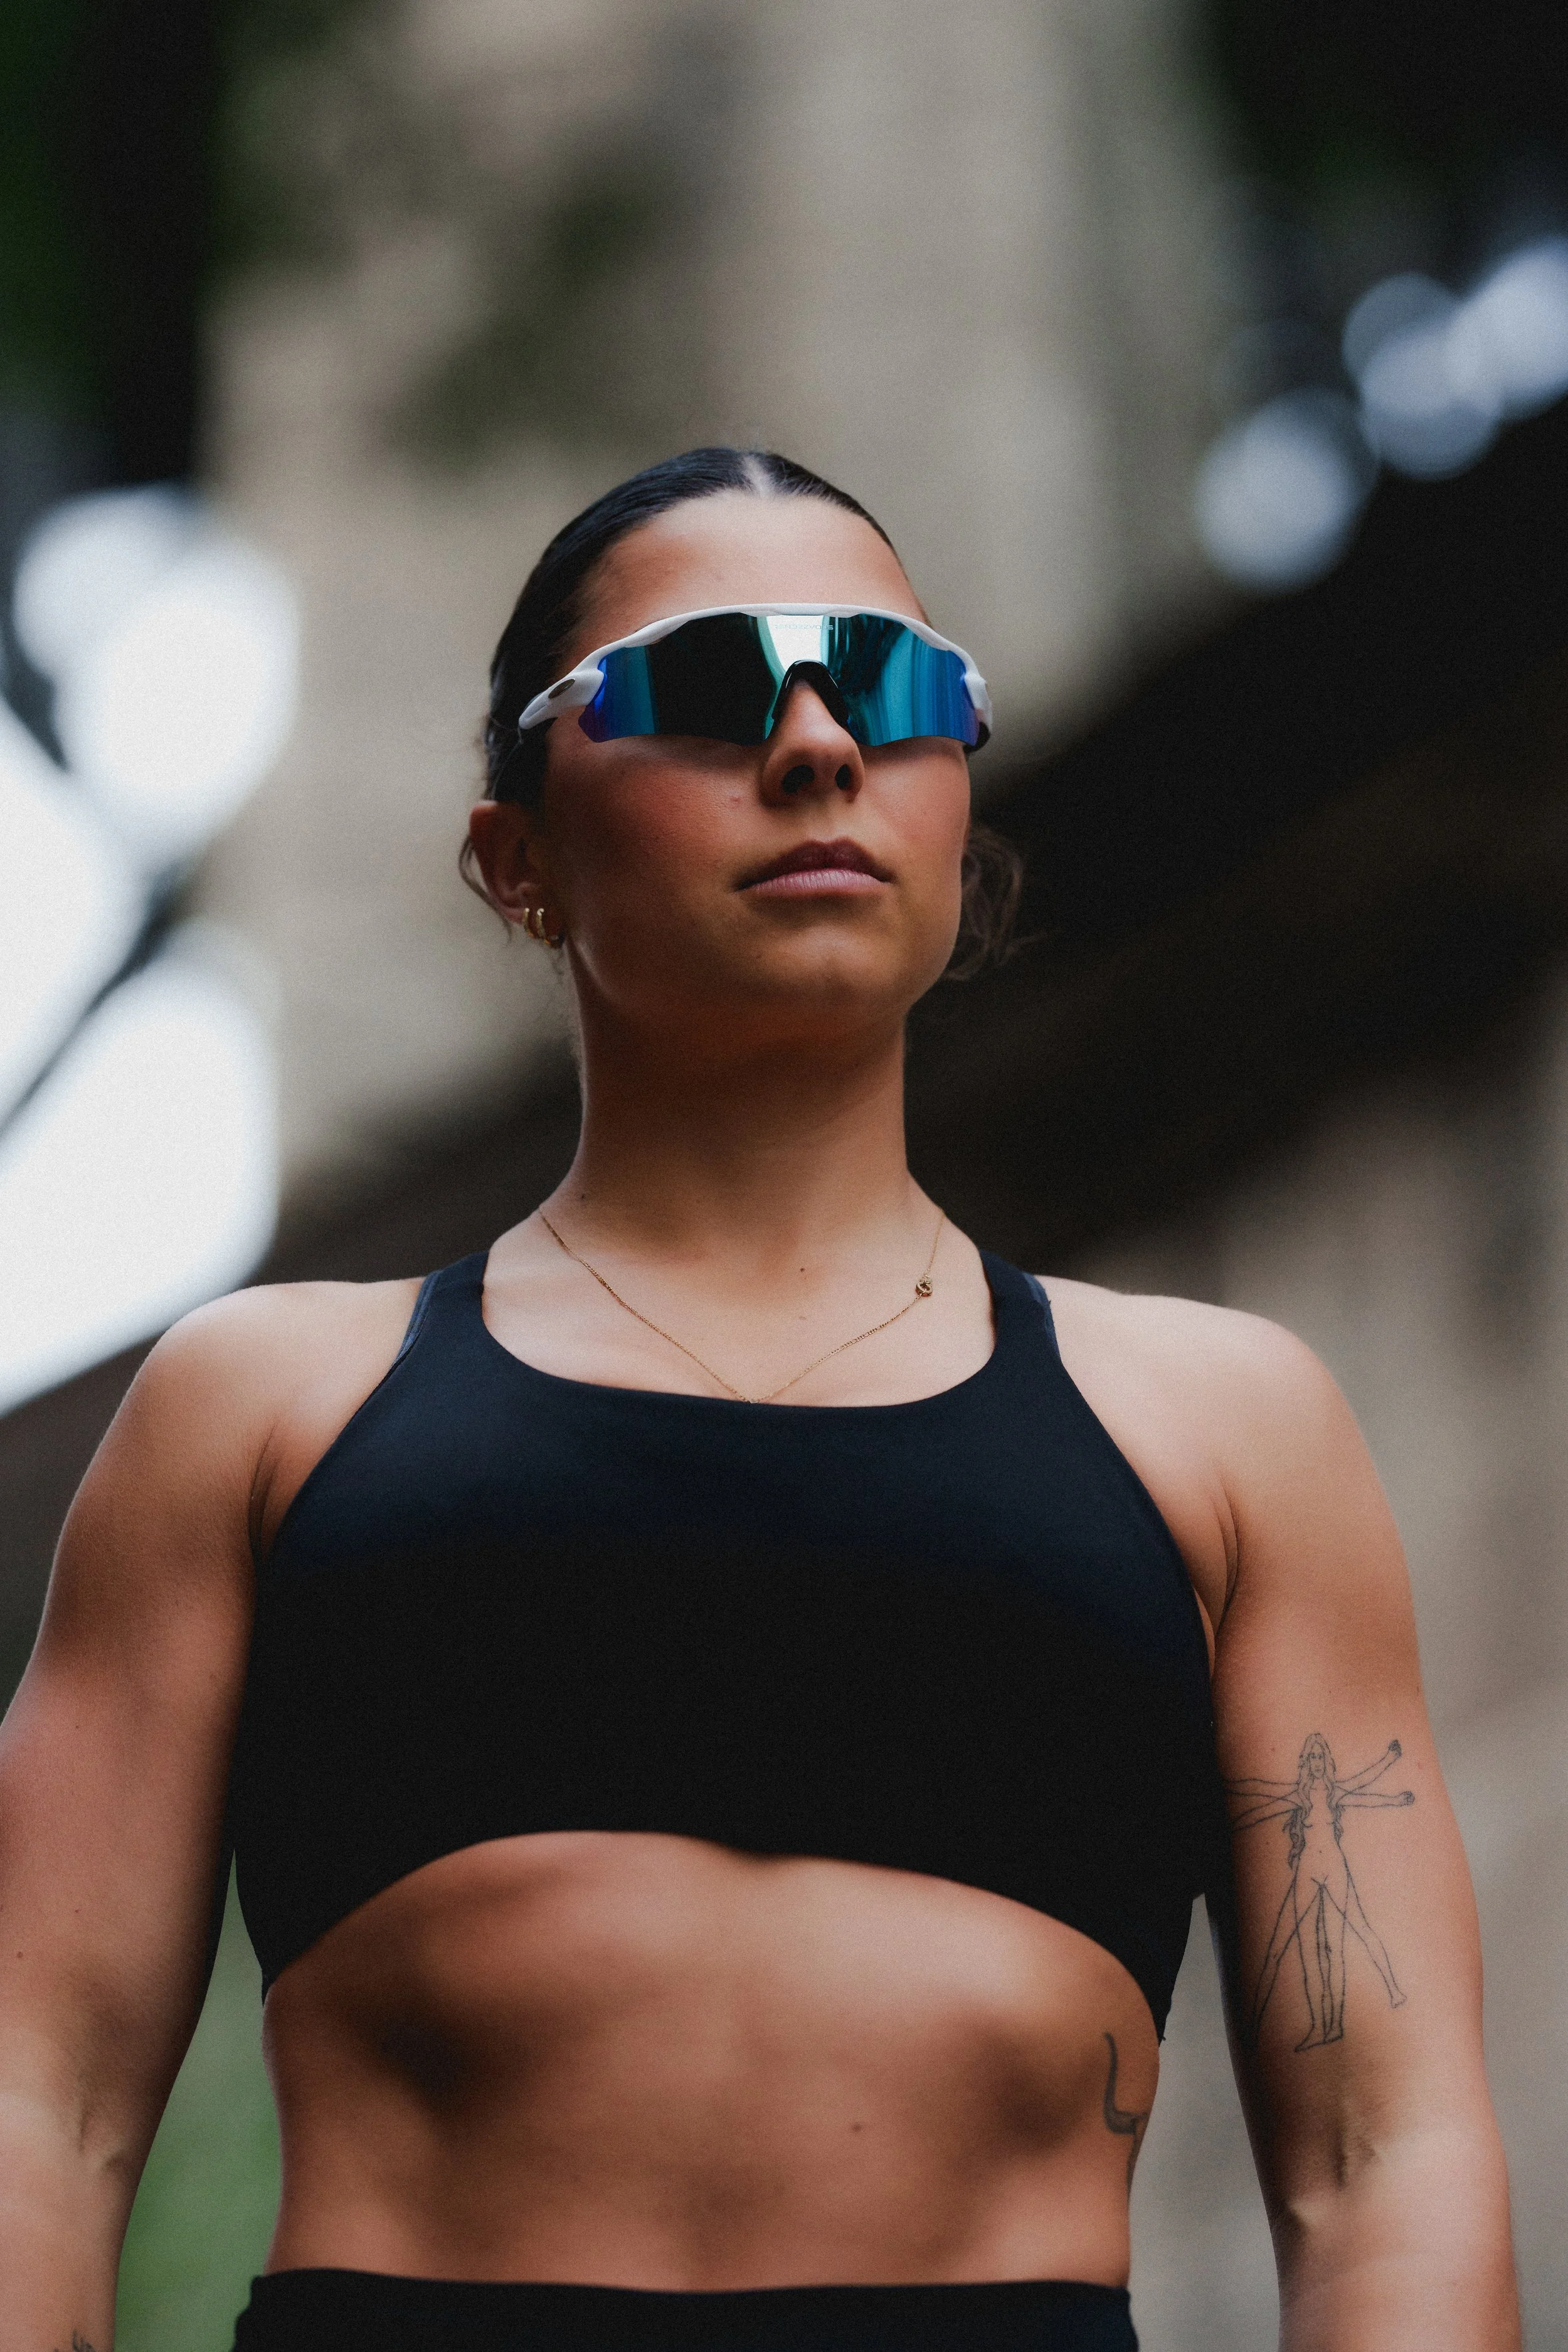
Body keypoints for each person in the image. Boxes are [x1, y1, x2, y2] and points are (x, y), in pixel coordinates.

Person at [0, 448, 1517, 2352]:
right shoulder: (268, 1406)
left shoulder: (1225, 1430)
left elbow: (1384, 2158)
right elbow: (37, 2104)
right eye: (709, 683)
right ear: (517, 856)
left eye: (889, 685)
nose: (815, 745)